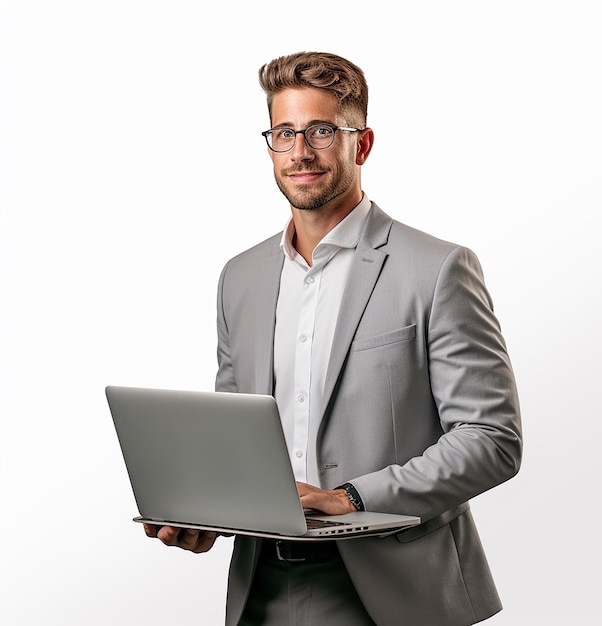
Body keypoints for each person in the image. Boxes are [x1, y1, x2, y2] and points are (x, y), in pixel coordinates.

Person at [144, 51, 522, 625]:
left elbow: (491, 438)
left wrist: (349, 499)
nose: (300, 152)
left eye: (321, 131)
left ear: (361, 144)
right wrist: (203, 512)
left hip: (397, 591)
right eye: (284, 133)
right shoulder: (239, 278)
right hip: (260, 588)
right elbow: (236, 442)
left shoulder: (437, 268)